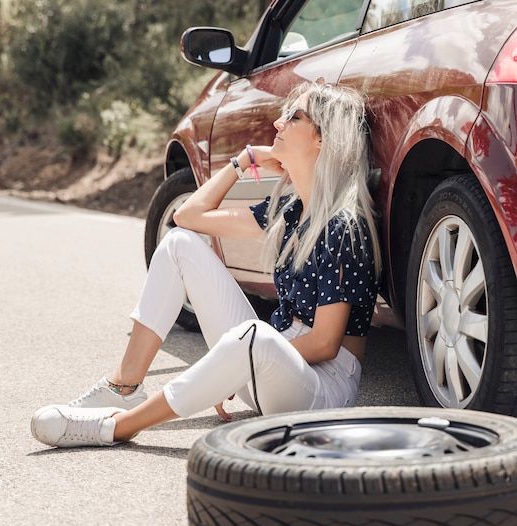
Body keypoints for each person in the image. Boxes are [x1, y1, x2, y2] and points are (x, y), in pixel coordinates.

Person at [31, 81, 382, 448]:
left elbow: (325, 344)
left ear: (323, 140)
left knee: (254, 336)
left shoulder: (345, 226)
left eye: (294, 117)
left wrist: (231, 367)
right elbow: (187, 216)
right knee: (179, 245)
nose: (278, 124)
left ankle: (118, 427)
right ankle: (124, 387)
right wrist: (243, 160)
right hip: (266, 366)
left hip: (321, 390)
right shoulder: (290, 211)